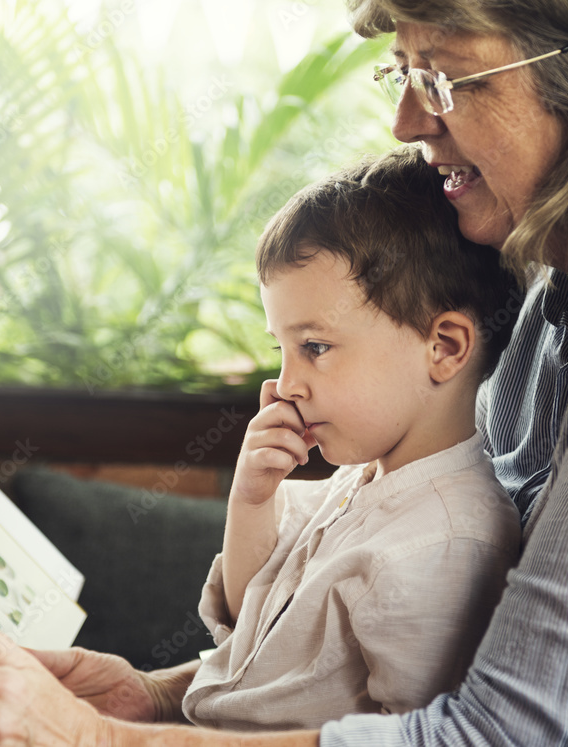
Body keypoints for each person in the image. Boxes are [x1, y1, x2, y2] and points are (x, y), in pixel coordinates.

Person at [0, 0, 568, 744]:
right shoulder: (546, 273)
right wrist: (152, 698)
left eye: (446, 77)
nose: (405, 120)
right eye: (402, 71)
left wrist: (90, 738)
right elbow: (361, 672)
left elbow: (495, 734)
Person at [181, 151, 521, 730]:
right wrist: (253, 501)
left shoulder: (443, 545)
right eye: (280, 349)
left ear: (443, 347)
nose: (287, 384)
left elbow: (416, 738)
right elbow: (248, 624)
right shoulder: (362, 478)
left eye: (315, 347)